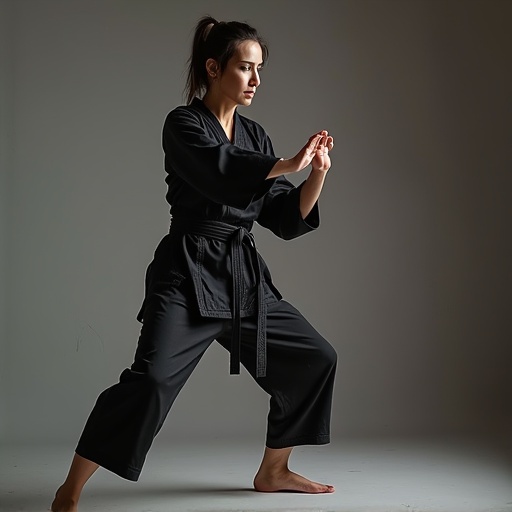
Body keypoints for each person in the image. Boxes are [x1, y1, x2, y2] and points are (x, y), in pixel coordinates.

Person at [51, 15, 337, 512]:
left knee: (315, 358)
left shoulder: (255, 135)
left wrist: (315, 175)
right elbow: (219, 171)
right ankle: (70, 489)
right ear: (213, 67)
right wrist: (286, 165)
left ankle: (274, 471)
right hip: (186, 271)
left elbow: (284, 217)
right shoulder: (182, 125)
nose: (255, 80)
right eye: (246, 68)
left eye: (260, 70)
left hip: (240, 275)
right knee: (152, 380)